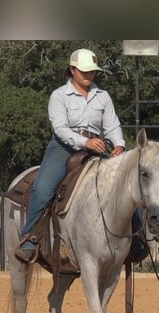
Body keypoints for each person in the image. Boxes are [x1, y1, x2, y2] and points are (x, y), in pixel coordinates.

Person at [15, 48, 143, 263]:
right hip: (62, 148)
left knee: (125, 185)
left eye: (92, 71)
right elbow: (61, 128)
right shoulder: (59, 96)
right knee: (43, 188)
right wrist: (85, 141)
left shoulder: (102, 97)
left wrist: (119, 144)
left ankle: (137, 240)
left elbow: (112, 125)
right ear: (72, 70)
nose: (89, 75)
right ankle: (30, 239)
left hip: (97, 148)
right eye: (84, 71)